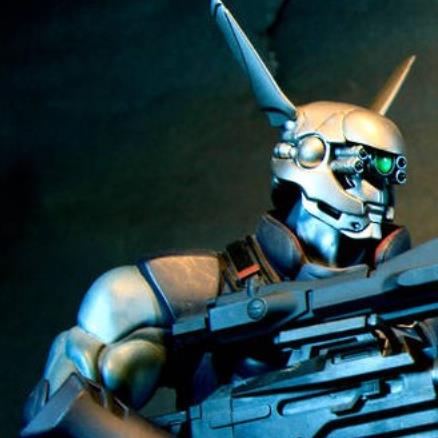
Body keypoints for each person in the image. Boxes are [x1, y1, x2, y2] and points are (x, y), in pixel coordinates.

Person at [20, 1, 415, 436]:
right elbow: (58, 406)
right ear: (310, 157)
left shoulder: (414, 303)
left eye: (387, 172)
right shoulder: (191, 290)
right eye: (362, 168)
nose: (376, 192)